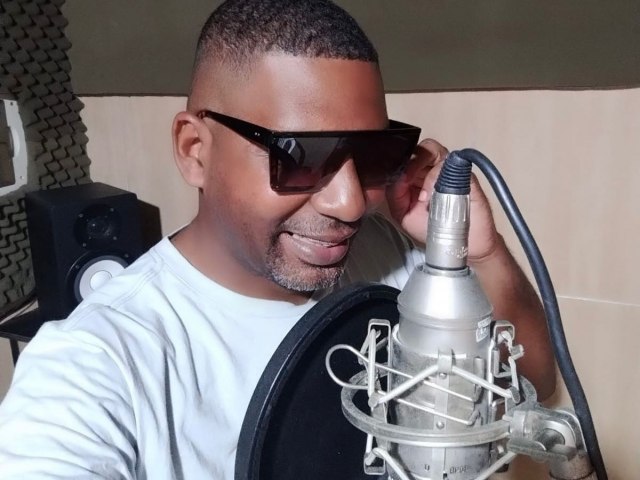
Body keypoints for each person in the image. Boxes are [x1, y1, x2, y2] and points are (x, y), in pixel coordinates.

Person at [0, 0, 555, 478]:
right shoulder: (95, 364)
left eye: (373, 155)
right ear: (196, 150)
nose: (350, 204)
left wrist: (477, 255)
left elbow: (534, 381)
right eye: (301, 157)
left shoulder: (390, 257)